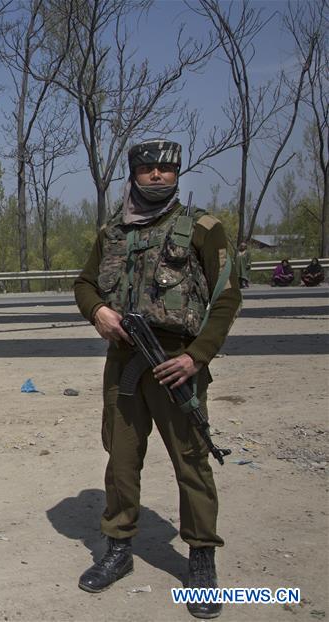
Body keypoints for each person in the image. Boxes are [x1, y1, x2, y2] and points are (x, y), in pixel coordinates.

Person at [73, 139, 241, 619]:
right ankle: (118, 547)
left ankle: (201, 558)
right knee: (122, 459)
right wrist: (98, 312)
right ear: (134, 173)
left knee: (192, 461)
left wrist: (197, 357)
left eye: (167, 168)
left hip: (176, 361)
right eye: (147, 168)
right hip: (124, 361)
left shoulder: (204, 228)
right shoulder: (112, 231)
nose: (157, 175)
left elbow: (227, 297)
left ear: (177, 173)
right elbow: (84, 283)